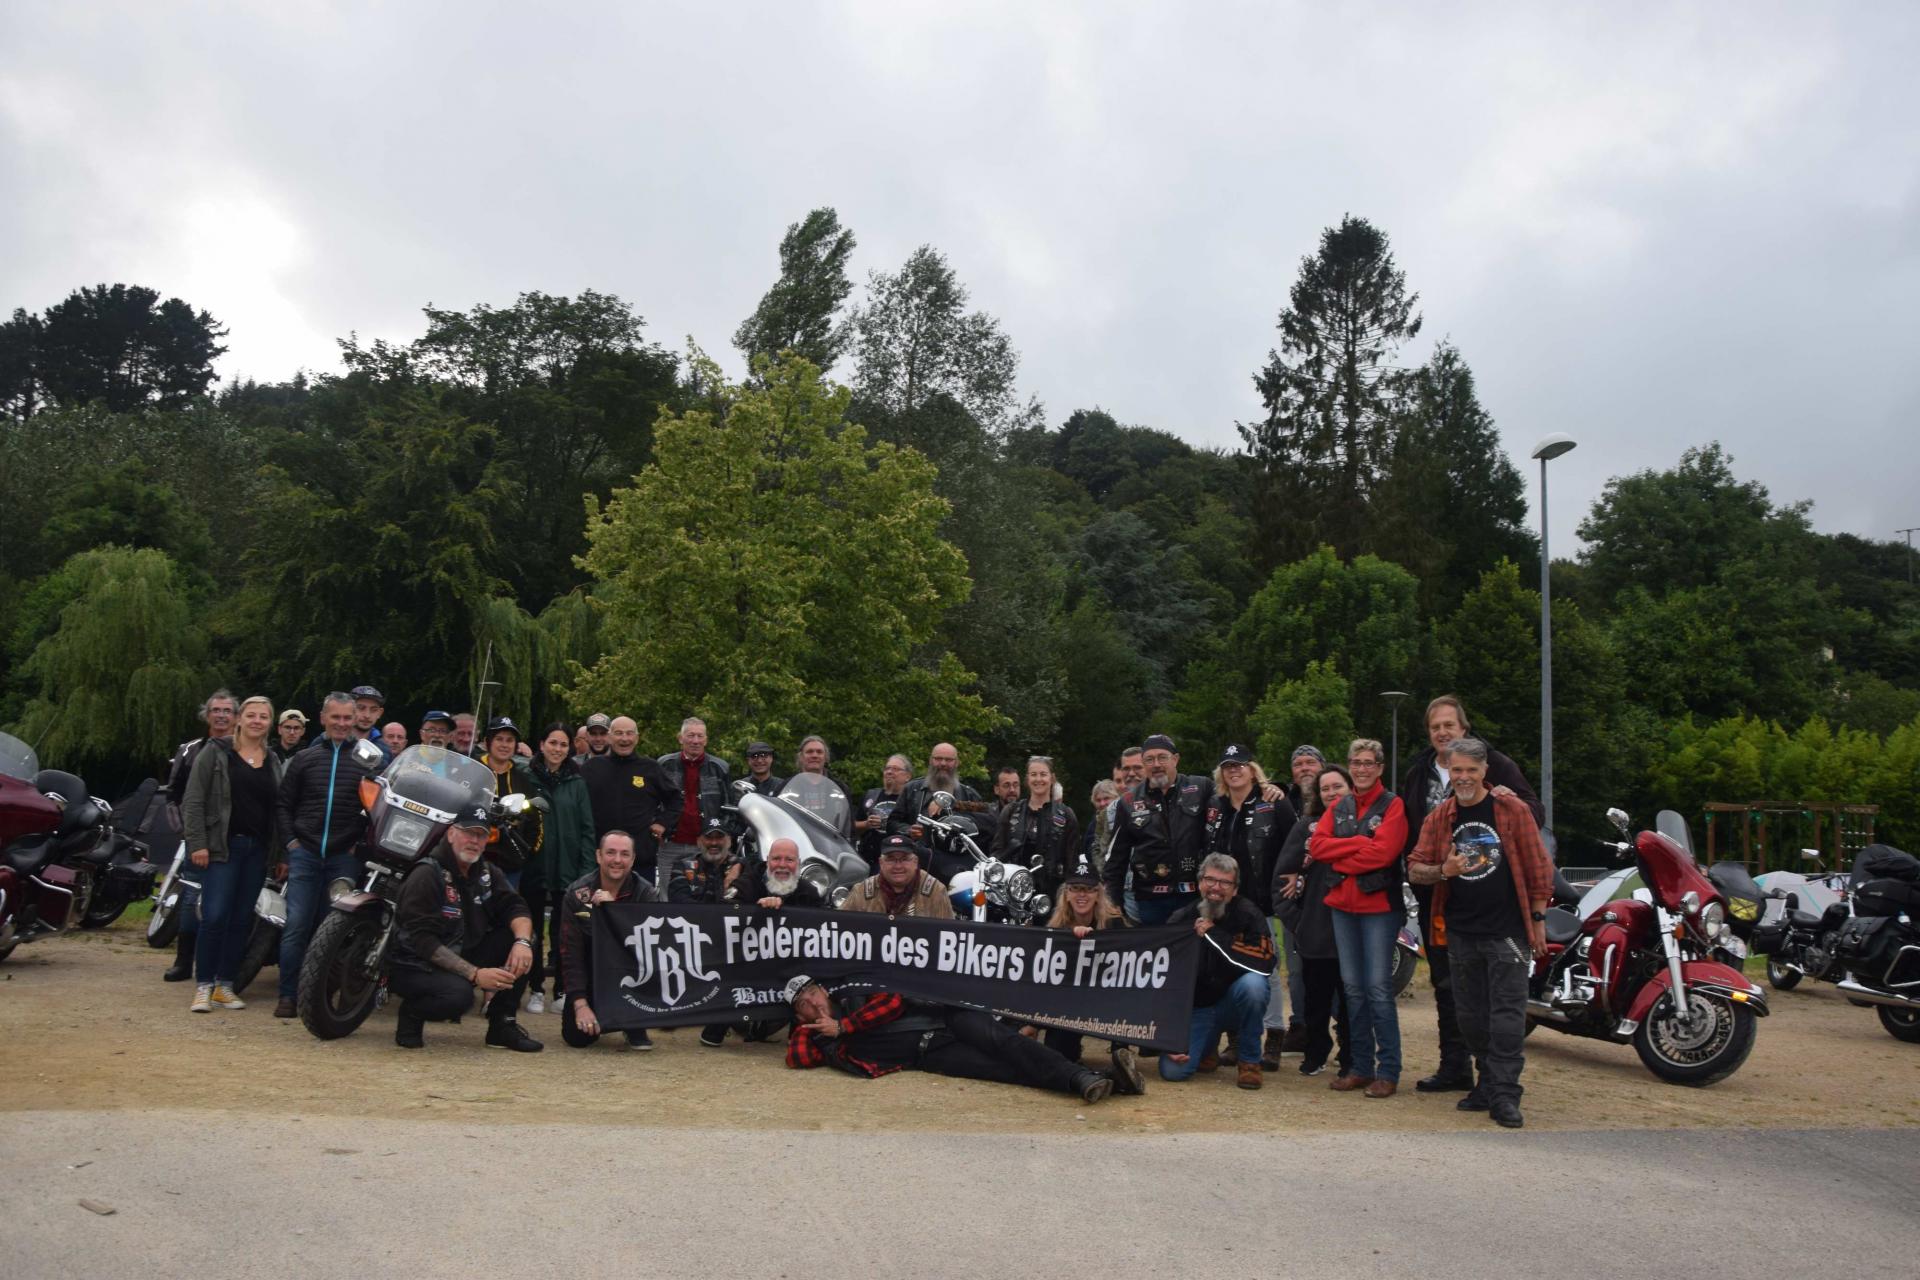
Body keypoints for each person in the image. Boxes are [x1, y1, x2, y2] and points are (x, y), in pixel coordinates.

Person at [1397, 695, 1543, 1094]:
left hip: (1496, 899)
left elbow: (1533, 812)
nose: (1442, 733)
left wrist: (1509, 802)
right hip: (1440, 896)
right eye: (1435, 727)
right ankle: (1455, 1065)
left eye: (1449, 725)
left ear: (1464, 728)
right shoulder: (1419, 772)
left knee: (1497, 998)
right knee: (1451, 987)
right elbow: (1411, 832)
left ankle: (1496, 1082)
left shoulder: (1494, 764)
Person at [784, 977, 1118, 1103]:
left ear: (823, 989)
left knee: (1010, 1046)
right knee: (1006, 1071)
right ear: (800, 1015)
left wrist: (844, 1027)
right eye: (804, 1005)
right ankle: (1104, 1082)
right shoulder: (818, 1038)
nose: (814, 1003)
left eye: (813, 993)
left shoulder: (854, 994)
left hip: (949, 1020)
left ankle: (1079, 1077)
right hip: (931, 1055)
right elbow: (796, 1058)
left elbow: (893, 1002)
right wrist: (811, 1028)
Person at [387, 803, 541, 1051]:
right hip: (415, 965)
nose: (475, 841)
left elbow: (516, 906)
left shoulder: (487, 872)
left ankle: (502, 1026)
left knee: (524, 939)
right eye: (468, 832)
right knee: (459, 998)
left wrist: (522, 943)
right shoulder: (428, 874)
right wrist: (475, 975)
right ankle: (412, 1014)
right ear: (451, 834)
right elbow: (421, 941)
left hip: (461, 951)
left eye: (481, 835)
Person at [273, 692, 379, 1019]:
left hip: (343, 857)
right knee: (297, 925)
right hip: (305, 853)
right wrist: (291, 843)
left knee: (331, 930)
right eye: (336, 717)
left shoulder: (368, 762)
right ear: (323, 718)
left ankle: (319, 993)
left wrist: (356, 844)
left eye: (348, 718)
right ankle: (289, 995)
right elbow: (283, 805)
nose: (342, 723)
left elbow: (376, 809)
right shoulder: (305, 758)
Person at [1316, 738, 1409, 1098]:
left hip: (1378, 909)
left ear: (1380, 767)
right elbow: (1318, 846)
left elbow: (1384, 854)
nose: (1361, 768)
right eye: (1356, 762)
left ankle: (1389, 1070)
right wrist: (1358, 843)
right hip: (1342, 907)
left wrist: (1342, 857)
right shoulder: (1340, 804)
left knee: (1378, 989)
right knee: (1353, 991)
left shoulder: (1393, 805)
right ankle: (1360, 1067)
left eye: (1369, 762)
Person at [180, 694, 283, 1013]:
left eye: (263, 717)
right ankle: (203, 985)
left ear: (270, 723)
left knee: (241, 920)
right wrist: (197, 843)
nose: (257, 721)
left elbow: (278, 811)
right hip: (222, 848)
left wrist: (280, 854)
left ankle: (226, 984)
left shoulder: (273, 760)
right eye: (251, 715)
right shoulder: (216, 752)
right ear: (240, 718)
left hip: (257, 851)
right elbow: (193, 800)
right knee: (214, 916)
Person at [1206, 744, 1296, 1067]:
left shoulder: (1273, 803)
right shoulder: (1215, 806)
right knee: (1227, 965)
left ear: (1252, 769)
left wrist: (1293, 876)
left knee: (1267, 969)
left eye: (1240, 765)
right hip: (1224, 902)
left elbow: (1295, 844)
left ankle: (1273, 1036)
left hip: (1264, 901)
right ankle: (1237, 1039)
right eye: (1228, 766)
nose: (1234, 770)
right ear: (1221, 773)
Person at [1026, 853, 1144, 1094]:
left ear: (1098, 894)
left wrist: (1093, 940)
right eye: (1076, 889)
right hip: (1070, 1006)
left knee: (1122, 1019)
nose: (1082, 895)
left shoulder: (1115, 924)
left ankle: (1120, 1055)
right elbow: (1044, 977)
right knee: (1058, 1054)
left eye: (1088, 890)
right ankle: (1102, 1077)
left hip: (1107, 1000)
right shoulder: (1055, 928)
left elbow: (1133, 968)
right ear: (1066, 894)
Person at [1161, 854, 1277, 1089]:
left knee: (1255, 986)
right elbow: (1163, 977)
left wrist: (1215, 935)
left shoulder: (1249, 914)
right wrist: (1169, 1038)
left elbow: (1266, 960)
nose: (1216, 888)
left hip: (1232, 1003)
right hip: (1198, 1008)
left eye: (1225, 883)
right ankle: (1208, 1046)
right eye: (1210, 880)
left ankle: (1249, 1061)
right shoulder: (1181, 917)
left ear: (1234, 889)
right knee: (1174, 1071)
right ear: (1200, 882)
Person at [1271, 765, 1354, 1078]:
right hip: (1317, 931)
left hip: (1353, 928)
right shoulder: (1306, 826)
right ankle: (1316, 1051)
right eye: (1326, 789)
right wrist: (1297, 920)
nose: (1332, 793)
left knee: (1351, 1001)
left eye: (1338, 786)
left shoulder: (1363, 824)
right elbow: (1282, 875)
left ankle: (1351, 1055)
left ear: (1350, 788)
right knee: (1316, 999)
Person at [160, 687, 238, 981]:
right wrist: (187, 832)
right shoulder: (190, 749)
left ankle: (220, 963)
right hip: (199, 839)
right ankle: (184, 960)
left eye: (226, 710)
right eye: (216, 710)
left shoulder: (244, 750)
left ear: (235, 716)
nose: (220, 715)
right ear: (207, 714)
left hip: (233, 838)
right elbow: (173, 794)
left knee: (227, 901)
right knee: (193, 897)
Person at [557, 830, 660, 1050]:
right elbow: (569, 953)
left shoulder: (647, 894)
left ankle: (634, 1020)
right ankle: (611, 1015)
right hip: (592, 974)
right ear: (598, 856)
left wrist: (615, 912)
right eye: (610, 853)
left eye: (624, 854)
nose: (617, 860)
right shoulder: (576, 894)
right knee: (577, 1037)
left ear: (633, 859)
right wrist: (580, 1003)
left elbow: (650, 950)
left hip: (633, 976)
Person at [526, 722, 597, 1017]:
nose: (557, 749)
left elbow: (586, 830)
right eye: (552, 743)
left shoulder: (576, 782)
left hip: (568, 869)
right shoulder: (526, 777)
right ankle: (535, 988)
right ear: (542, 744)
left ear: (570, 748)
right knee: (530, 930)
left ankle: (562, 989)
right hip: (534, 865)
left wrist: (585, 873)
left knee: (564, 932)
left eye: (563, 744)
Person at [1103, 734, 1212, 926]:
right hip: (1151, 899)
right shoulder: (1128, 802)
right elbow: (1115, 859)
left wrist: (1265, 788)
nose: (1156, 764)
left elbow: (1235, 798)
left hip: (1196, 895)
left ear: (1175, 759)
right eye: (1149, 759)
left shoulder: (1200, 787)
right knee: (1157, 953)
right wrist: (1113, 900)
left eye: (1162, 757)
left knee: (1195, 953)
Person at [580, 716, 677, 886]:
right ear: (610, 737)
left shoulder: (650, 768)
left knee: (639, 910)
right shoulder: (591, 768)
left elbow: (676, 799)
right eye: (618, 733)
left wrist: (663, 823)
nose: (624, 739)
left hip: (641, 860)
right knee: (596, 910)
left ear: (637, 738)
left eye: (629, 733)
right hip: (599, 860)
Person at [1273, 744, 1327, 1052]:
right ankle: (1300, 1023)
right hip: (1294, 895)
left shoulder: (1334, 796)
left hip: (1327, 891)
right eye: (1298, 764)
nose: (1304, 768)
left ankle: (1329, 1026)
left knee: (1330, 967)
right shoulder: (1282, 802)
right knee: (1295, 967)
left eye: (1310, 762)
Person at [658, 717, 731, 892]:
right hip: (669, 843)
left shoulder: (720, 767)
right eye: (690, 735)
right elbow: (653, 800)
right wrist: (657, 825)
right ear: (680, 738)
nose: (695, 741)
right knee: (666, 896)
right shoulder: (663, 764)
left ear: (706, 739)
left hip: (704, 845)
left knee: (702, 894)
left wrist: (720, 837)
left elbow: (729, 807)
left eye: (700, 736)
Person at [991, 756, 1080, 899]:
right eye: (1033, 775)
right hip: (1014, 890)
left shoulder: (1066, 815)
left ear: (1052, 778)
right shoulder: (1011, 811)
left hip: (1053, 893)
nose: (1038, 779)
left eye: (1043, 774)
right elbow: (996, 854)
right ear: (1027, 779)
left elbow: (1072, 862)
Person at [479, 717, 545, 886]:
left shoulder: (523, 780)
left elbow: (536, 821)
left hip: (510, 867)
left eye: (510, 740)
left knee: (506, 910)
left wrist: (526, 853)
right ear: (488, 742)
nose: (504, 744)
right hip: (474, 859)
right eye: (499, 739)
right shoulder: (473, 772)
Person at [888, 742, 987, 841]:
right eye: (938, 759)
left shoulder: (969, 794)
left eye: (949, 760)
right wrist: (909, 830)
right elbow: (892, 823)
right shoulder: (912, 789)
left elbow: (985, 825)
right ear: (931, 761)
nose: (943, 763)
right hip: (917, 852)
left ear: (957, 763)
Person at [838, 834, 955, 918]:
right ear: (881, 863)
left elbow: (948, 936)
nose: (898, 866)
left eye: (904, 859)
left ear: (915, 862)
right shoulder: (861, 891)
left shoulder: (935, 891)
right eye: (891, 859)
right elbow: (841, 928)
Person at [778, 735, 853, 837]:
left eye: (819, 752)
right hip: (797, 845)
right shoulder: (785, 787)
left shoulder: (840, 788)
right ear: (801, 757)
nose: (814, 755)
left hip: (831, 846)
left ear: (826, 757)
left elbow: (849, 827)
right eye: (809, 752)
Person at [855, 753, 912, 870]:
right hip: (868, 860)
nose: (889, 772)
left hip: (899, 863)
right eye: (887, 768)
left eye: (895, 769)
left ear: (907, 776)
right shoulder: (870, 796)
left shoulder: (913, 800)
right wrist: (866, 824)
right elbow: (852, 826)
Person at [348, 685, 392, 761]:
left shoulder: (385, 751)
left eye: (373, 710)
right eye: (361, 708)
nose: (367, 715)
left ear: (380, 713)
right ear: (349, 709)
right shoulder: (331, 741)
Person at [1086, 779, 1121, 874]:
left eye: (1106, 798)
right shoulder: (1093, 824)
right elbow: (1088, 852)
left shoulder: (1124, 819)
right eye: (1098, 800)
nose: (1102, 803)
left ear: (1116, 798)